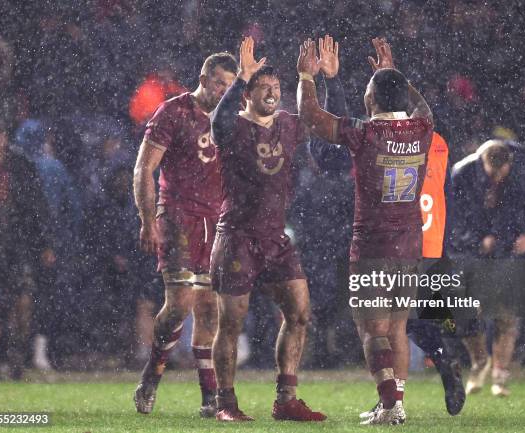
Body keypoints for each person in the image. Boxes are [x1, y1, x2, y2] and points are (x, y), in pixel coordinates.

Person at [297, 36, 433, 425]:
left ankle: (389, 405)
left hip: (372, 243)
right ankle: (397, 404)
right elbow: (423, 107)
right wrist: (393, 75)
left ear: (371, 101)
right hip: (409, 243)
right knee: (398, 327)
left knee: (372, 329)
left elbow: (310, 117)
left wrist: (307, 76)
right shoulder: (423, 128)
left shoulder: (365, 133)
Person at [209, 36, 326, 422]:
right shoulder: (232, 127)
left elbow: (321, 120)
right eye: (265, 88)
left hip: (276, 238)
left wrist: (311, 77)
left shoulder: (289, 125)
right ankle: (225, 403)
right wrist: (242, 77)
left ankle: (286, 399)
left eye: (277, 88)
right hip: (237, 237)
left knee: (299, 312)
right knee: (231, 322)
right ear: (248, 95)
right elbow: (216, 120)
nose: (273, 93)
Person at [132, 52, 238, 417]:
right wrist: (148, 219)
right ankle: (152, 374)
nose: (223, 91)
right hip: (178, 215)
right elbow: (145, 167)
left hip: (217, 220)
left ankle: (209, 396)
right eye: (219, 82)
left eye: (229, 85)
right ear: (204, 77)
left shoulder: (232, 120)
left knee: (210, 310)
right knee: (179, 304)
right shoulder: (174, 112)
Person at [450, 139, 525, 397]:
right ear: (483, 163)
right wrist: (476, 241)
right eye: (492, 173)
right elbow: (452, 218)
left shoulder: (522, 170)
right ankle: (479, 362)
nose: (498, 178)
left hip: (506, 249)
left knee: (506, 313)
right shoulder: (462, 174)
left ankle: (500, 375)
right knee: (465, 311)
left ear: (510, 164)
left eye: (503, 173)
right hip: (469, 252)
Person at [0, 118, 52, 380]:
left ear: (5, 138)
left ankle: (17, 356)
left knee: (22, 303)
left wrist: (45, 243)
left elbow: (38, 205)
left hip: (19, 245)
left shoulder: (21, 165)